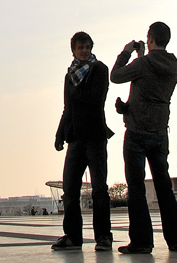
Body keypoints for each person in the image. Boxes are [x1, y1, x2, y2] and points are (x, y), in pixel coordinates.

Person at [111, 22, 177, 255]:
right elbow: (150, 89)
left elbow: (115, 76)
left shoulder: (142, 65)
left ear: (150, 38)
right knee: (164, 186)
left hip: (137, 133)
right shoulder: (173, 65)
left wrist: (126, 53)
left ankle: (142, 241)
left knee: (136, 188)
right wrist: (142, 55)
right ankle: (176, 239)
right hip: (159, 133)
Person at [52, 31, 114, 252]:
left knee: (99, 189)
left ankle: (104, 236)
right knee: (70, 189)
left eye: (88, 47)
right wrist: (60, 135)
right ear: (74, 51)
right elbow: (67, 108)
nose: (85, 50)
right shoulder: (70, 76)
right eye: (81, 47)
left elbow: (95, 98)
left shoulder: (100, 70)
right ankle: (72, 236)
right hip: (75, 139)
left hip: (95, 137)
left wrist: (76, 94)